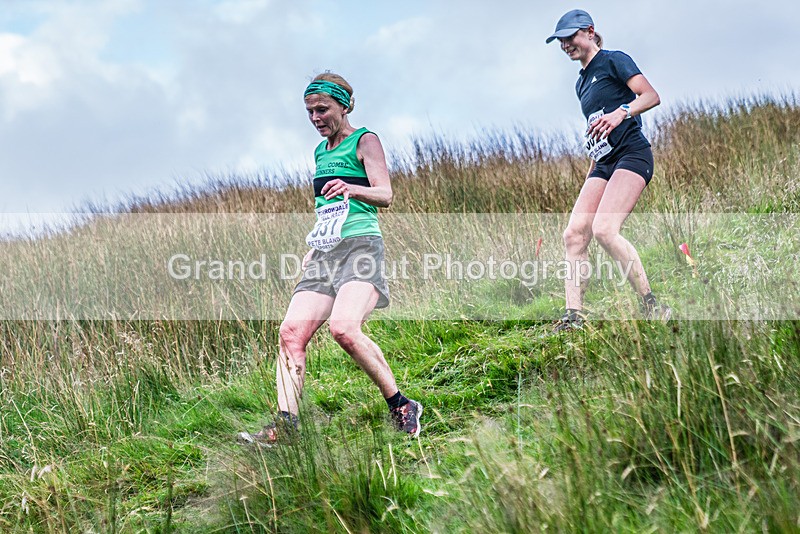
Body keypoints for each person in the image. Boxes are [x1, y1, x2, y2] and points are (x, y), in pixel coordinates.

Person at [238, 72, 422, 444]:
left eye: (322, 109)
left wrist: (352, 188)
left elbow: (385, 194)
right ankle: (286, 427)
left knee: (343, 328)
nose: (315, 118)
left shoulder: (365, 140)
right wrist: (315, 243)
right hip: (327, 250)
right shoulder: (320, 152)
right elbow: (328, 209)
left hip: (361, 246)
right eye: (309, 112)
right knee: (290, 333)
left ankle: (402, 405)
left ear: (343, 105)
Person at [546, 9, 671, 331]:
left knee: (604, 229)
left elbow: (651, 95)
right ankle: (573, 317)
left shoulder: (614, 60)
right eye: (560, 40)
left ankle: (651, 305)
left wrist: (621, 113)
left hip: (632, 154)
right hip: (603, 161)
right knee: (574, 234)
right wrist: (591, 173)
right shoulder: (581, 82)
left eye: (570, 37)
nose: (565, 45)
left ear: (589, 31)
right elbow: (596, 131)